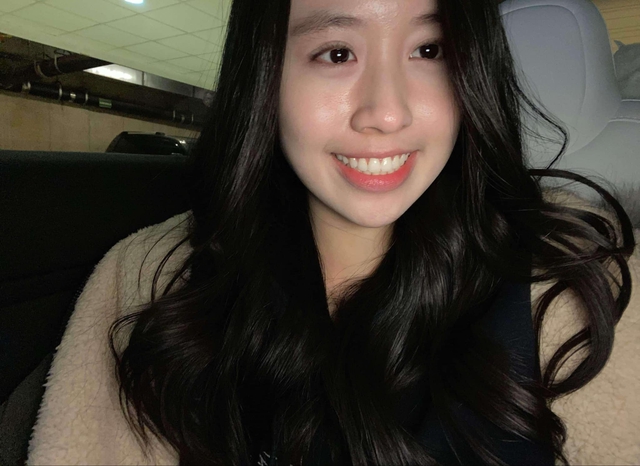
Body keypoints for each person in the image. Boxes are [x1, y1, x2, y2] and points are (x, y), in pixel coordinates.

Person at [27, 0, 639, 464]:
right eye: (337, 53)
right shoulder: (151, 279)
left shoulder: (579, 291)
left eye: (430, 50)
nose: (387, 112)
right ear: (265, 75)